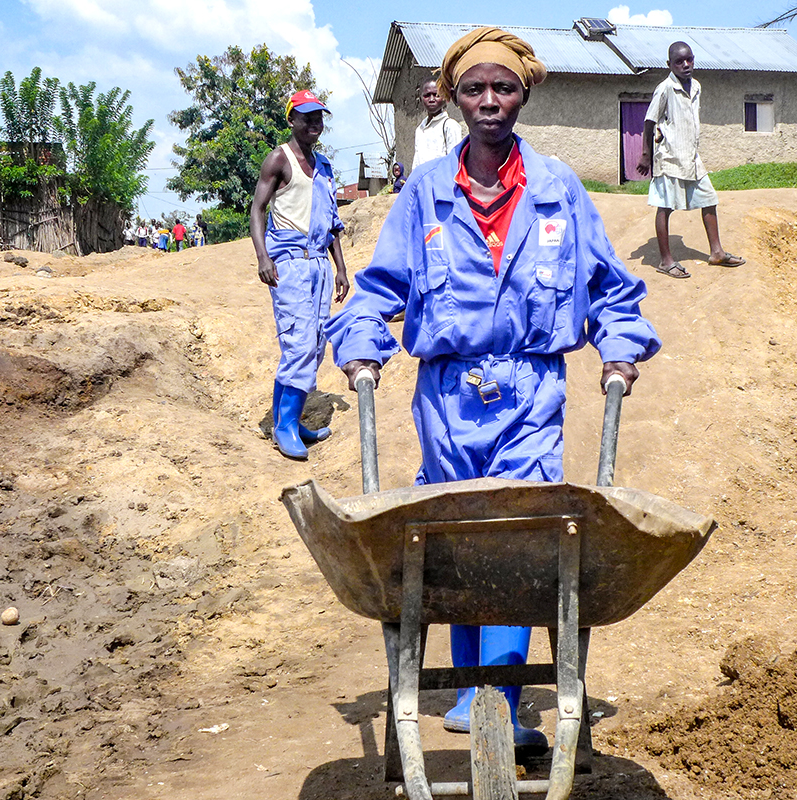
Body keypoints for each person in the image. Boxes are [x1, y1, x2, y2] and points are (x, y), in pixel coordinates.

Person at [324, 27, 660, 753]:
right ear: (452, 97)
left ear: (524, 94)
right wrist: (361, 346)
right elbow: (377, 289)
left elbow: (610, 289)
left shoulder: (557, 189)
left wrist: (621, 347)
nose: (488, 102)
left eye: (502, 88)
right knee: (454, 532)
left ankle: (501, 703)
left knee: (516, 530)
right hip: (445, 394)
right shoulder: (425, 193)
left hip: (531, 387)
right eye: (473, 88)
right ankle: (476, 689)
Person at [250, 89, 350, 460]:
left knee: (317, 341)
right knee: (299, 342)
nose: (314, 124)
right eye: (306, 117)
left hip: (319, 264)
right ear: (292, 119)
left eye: (319, 117)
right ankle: (287, 426)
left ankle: (285, 421)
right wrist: (263, 257)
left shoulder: (323, 165)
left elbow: (333, 222)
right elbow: (258, 210)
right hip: (289, 262)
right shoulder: (280, 158)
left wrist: (340, 268)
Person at [637, 41, 745, 278]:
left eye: (689, 60)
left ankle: (717, 252)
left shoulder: (696, 86)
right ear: (670, 64)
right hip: (669, 158)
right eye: (679, 62)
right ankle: (666, 261)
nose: (686, 65)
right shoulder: (665, 88)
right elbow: (649, 121)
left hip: (692, 158)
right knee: (665, 208)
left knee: (709, 199)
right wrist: (646, 154)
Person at [412, 77, 463, 170]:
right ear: (421, 98)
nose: (431, 99)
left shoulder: (449, 125)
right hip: (422, 182)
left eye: (436, 95)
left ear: (445, 98)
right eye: (427, 95)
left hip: (441, 181)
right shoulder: (420, 129)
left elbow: (454, 161)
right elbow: (416, 162)